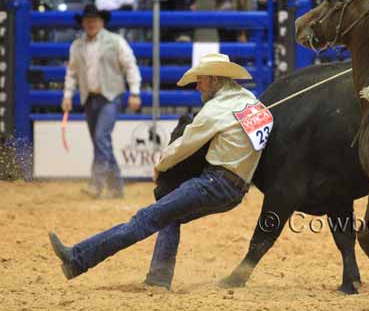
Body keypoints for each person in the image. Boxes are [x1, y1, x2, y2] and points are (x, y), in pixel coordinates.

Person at [49, 53, 270, 289]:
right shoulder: (251, 102)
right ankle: (158, 278)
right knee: (168, 215)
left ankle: (77, 258)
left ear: (214, 79)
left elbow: (185, 145)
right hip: (236, 192)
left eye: (201, 80)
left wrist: (160, 166)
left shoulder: (215, 109)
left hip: (213, 183)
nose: (197, 86)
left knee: (145, 219)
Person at [61, 5, 142, 199]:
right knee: (101, 141)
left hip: (111, 97)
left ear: (102, 22)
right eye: (87, 20)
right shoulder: (77, 45)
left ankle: (96, 184)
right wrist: (67, 96)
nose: (91, 23)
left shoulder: (116, 41)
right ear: (83, 22)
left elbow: (130, 66)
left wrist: (135, 92)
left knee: (100, 138)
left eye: (94, 20)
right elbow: (71, 73)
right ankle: (116, 186)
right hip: (90, 97)